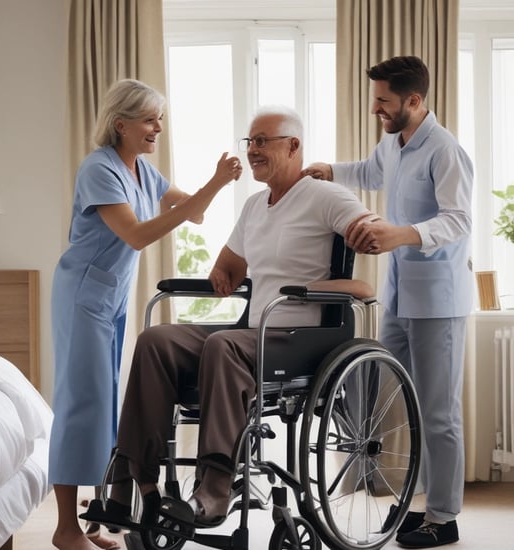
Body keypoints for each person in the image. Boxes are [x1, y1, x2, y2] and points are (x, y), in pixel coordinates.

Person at [82, 105, 376, 531]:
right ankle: (135, 480)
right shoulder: (256, 205)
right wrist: (222, 273)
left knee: (224, 344)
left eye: (263, 141)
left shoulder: (326, 196)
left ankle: (215, 486)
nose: (253, 150)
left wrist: (332, 281)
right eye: (250, 141)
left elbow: (367, 256)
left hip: (301, 337)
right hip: (253, 331)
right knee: (156, 339)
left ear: (293, 146)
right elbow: (229, 266)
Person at [49, 78, 243, 550]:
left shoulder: (142, 171)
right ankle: (64, 529)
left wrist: (214, 186)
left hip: (112, 297)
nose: (158, 128)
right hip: (82, 295)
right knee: (81, 406)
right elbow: (135, 235)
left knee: (106, 405)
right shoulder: (99, 169)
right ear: (121, 124)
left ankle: (94, 522)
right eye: (150, 120)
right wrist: (213, 183)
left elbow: (192, 213)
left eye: (161, 120)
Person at [302, 55, 473, 548]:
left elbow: (458, 220)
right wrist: (331, 169)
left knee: (440, 413)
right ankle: (419, 505)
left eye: (384, 101)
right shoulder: (394, 143)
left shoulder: (445, 151)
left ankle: (445, 517)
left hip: (438, 299)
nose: (376, 108)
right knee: (402, 403)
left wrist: (400, 234)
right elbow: (372, 172)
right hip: (399, 296)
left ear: (414, 101)